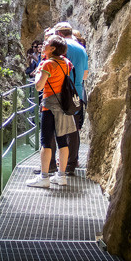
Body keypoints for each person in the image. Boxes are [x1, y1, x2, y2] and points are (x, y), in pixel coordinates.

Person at [26, 34, 77, 188]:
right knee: (62, 140)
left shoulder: (47, 64)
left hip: (49, 107)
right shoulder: (66, 62)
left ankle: (44, 177)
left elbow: (39, 86)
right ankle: (61, 176)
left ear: (52, 48)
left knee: (46, 142)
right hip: (63, 105)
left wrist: (38, 71)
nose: (43, 44)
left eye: (46, 43)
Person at [54, 22, 89, 175]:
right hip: (78, 94)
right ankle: (71, 164)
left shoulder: (61, 46)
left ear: (60, 34)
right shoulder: (82, 48)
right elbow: (85, 75)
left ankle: (57, 164)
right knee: (74, 130)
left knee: (59, 129)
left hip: (62, 93)